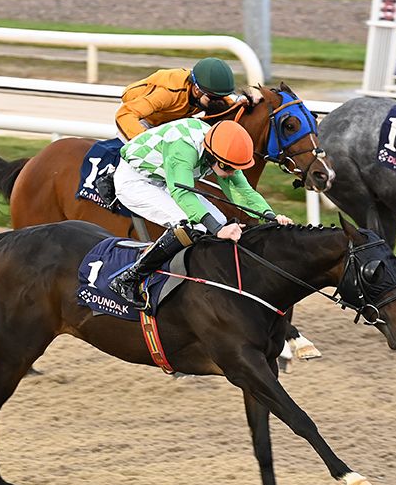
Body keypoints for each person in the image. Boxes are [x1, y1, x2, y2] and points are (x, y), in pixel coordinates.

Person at [109, 117, 294, 308]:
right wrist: (216, 229)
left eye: (236, 168)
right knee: (191, 224)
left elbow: (243, 192)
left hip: (164, 179)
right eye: (228, 168)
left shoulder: (220, 149)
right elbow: (182, 192)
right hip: (135, 181)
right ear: (213, 156)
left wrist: (270, 217)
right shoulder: (184, 149)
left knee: (219, 220)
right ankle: (129, 278)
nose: (232, 172)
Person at [114, 57, 252, 142]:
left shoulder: (209, 93)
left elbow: (230, 103)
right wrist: (146, 141)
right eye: (214, 97)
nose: (218, 101)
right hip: (141, 117)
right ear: (197, 89)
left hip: (167, 119)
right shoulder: (167, 93)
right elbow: (125, 114)